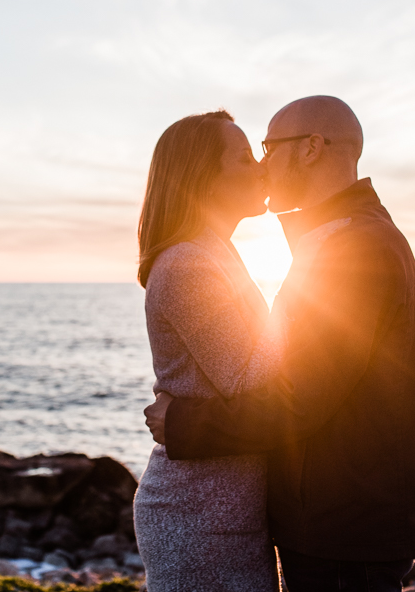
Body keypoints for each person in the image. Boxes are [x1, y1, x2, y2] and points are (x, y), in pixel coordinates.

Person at [144, 95, 415, 592]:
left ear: (311, 148)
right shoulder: (332, 239)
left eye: (268, 147)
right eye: (250, 153)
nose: (261, 164)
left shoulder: (353, 245)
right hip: (327, 521)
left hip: (342, 526)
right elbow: (285, 375)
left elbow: (298, 398)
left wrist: (185, 424)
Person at [132, 110, 283, 592]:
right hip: (199, 515)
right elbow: (248, 377)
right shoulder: (187, 264)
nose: (261, 165)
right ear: (203, 178)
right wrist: (319, 325)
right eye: (243, 157)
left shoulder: (214, 251)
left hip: (225, 505)